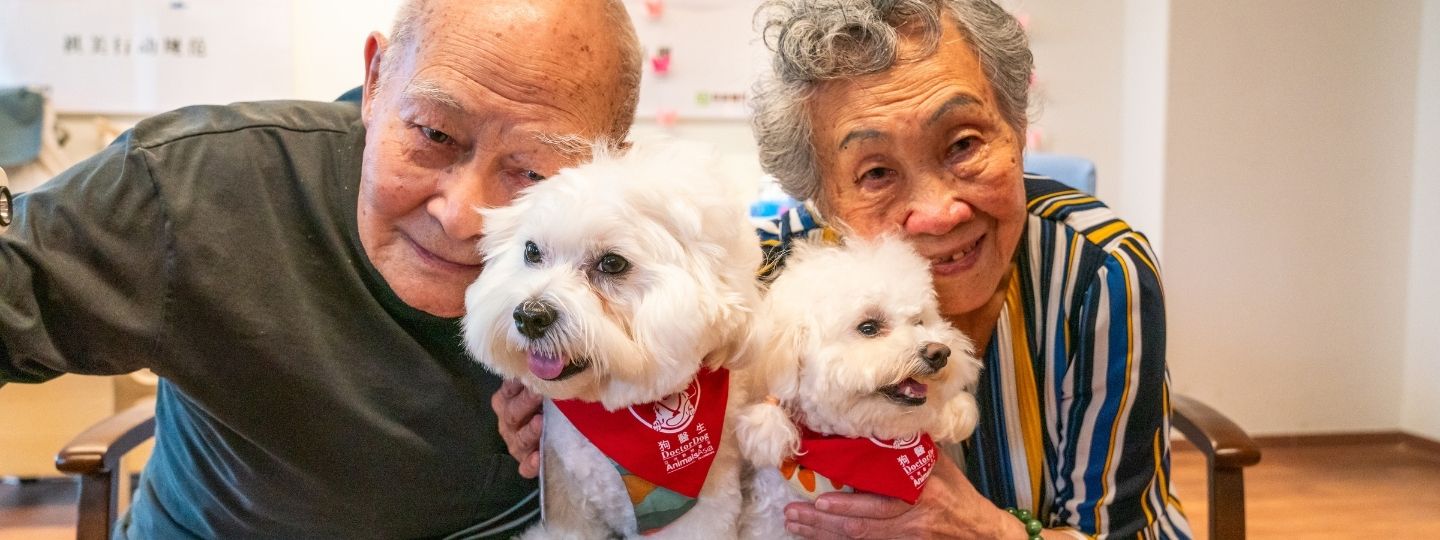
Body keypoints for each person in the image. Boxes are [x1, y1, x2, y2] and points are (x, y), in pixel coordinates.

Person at [494, 0, 1193, 538]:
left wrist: (992, 530)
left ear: (1015, 129)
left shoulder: (1096, 272)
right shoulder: (766, 267)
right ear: (819, 195)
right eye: (877, 171)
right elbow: (658, 376)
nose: (939, 212)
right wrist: (557, 393)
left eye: (965, 143)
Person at [0, 0, 641, 537]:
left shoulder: (644, 269)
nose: (461, 216)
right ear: (376, 81)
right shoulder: (202, 187)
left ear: (613, 167)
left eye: (531, 172)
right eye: (433, 135)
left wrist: (616, 422)